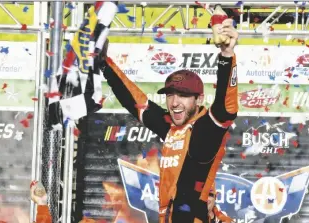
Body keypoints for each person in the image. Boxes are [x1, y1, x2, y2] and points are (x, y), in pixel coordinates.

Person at [98, 17, 238, 223]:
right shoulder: (171, 127)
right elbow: (137, 103)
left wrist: (226, 56)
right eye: (170, 95)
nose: (174, 102)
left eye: (182, 95)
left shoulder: (205, 129)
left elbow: (226, 109)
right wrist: (104, 65)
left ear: (199, 99)